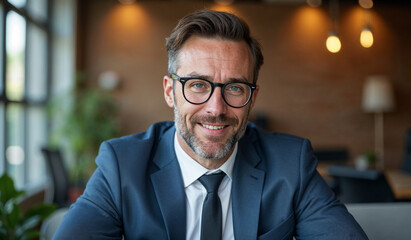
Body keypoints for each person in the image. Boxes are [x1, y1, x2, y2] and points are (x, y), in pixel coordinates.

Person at [54, 10, 368, 240]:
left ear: (252, 98)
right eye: (198, 85)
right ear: (170, 91)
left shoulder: (291, 163)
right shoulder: (121, 165)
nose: (216, 109)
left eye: (234, 88)